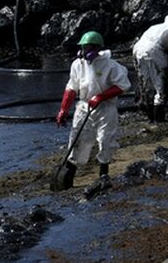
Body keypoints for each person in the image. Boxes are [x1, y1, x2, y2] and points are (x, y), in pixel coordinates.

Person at [55, 31, 131, 190]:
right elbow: (71, 88)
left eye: (87, 47)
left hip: (105, 108)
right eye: (82, 47)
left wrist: (102, 97)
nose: (84, 51)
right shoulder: (77, 64)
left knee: (105, 139)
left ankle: (104, 174)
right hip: (84, 107)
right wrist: (63, 110)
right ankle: (69, 174)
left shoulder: (110, 65)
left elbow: (123, 85)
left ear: (96, 48)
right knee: (78, 138)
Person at [131, 13, 168, 123]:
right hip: (155, 51)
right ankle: (159, 119)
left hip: (137, 49)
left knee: (146, 84)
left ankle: (150, 118)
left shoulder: (154, 27)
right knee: (161, 85)